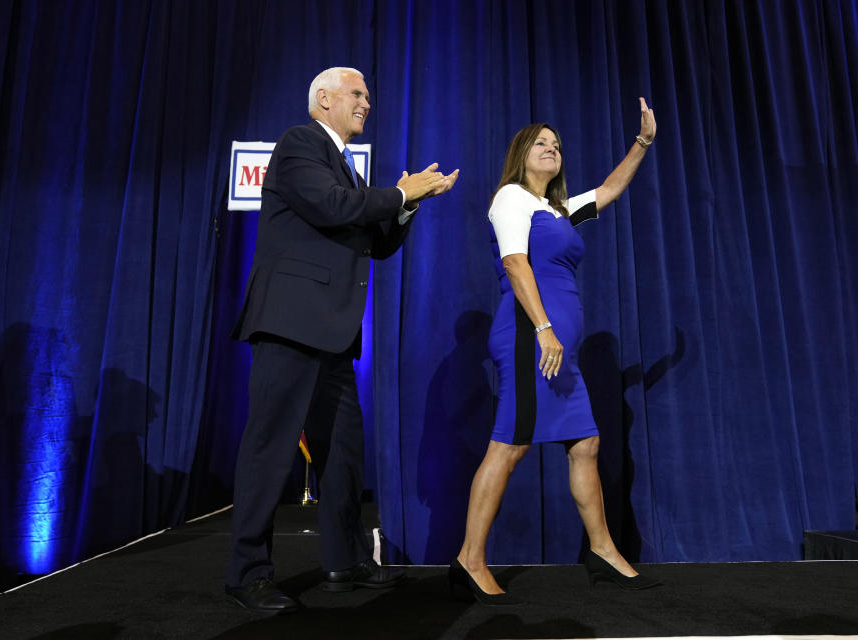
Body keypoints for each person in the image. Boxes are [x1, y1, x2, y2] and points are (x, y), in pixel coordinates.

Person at [227, 66, 458, 613]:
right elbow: (332, 208)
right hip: (289, 324)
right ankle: (246, 573)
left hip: (331, 334)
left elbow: (376, 243)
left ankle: (344, 560)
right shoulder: (300, 143)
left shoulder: (348, 170)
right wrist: (399, 190)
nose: (366, 103)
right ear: (323, 99)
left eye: (367, 97)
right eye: (357, 94)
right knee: (269, 450)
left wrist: (408, 203)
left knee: (344, 454)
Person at [450, 99, 659, 606]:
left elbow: (608, 191)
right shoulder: (511, 199)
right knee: (511, 444)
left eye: (557, 145)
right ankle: (469, 561)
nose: (551, 149)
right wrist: (543, 327)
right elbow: (516, 264)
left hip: (557, 348)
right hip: (528, 336)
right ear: (522, 154)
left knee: (585, 442)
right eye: (541, 143)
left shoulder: (557, 209)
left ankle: (603, 550)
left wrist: (642, 143)